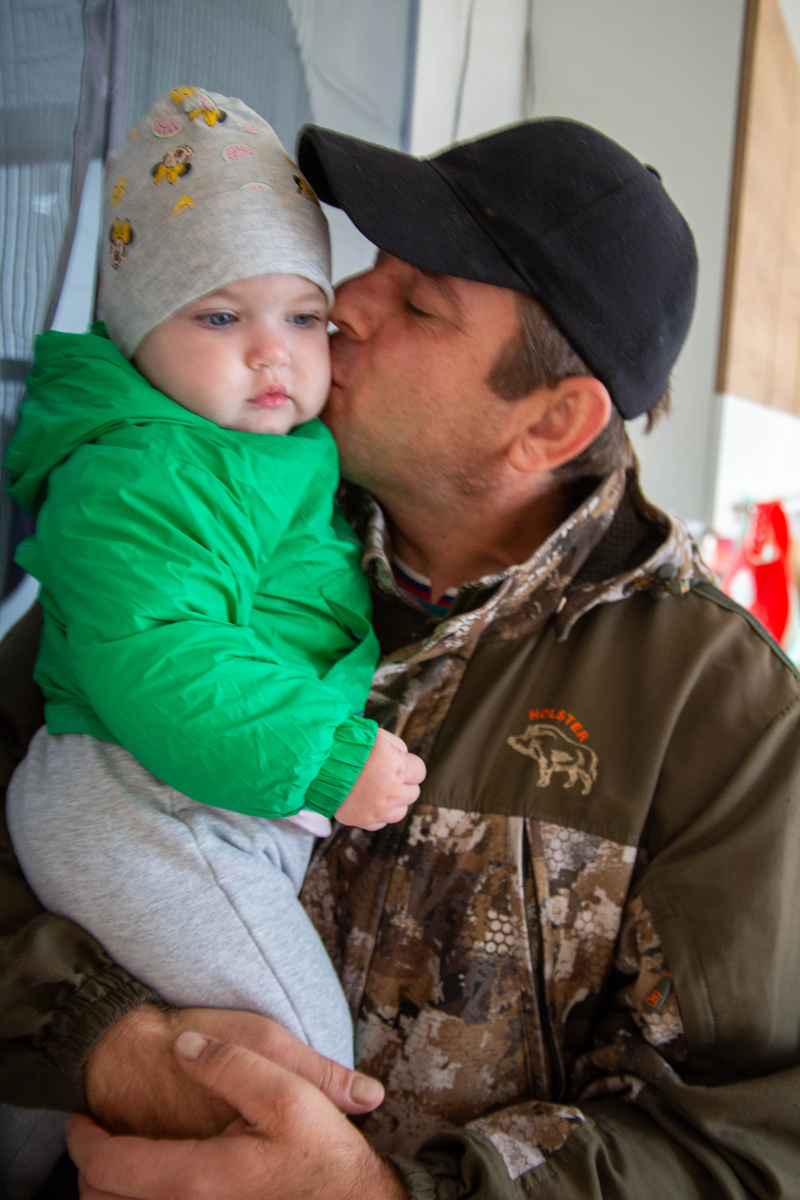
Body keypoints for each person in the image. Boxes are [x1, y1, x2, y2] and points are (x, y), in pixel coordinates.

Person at [3, 115, 800, 1200]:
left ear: (550, 422)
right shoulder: (211, 512)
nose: (350, 306)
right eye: (371, 260)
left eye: (420, 302)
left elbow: (757, 1144)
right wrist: (110, 1044)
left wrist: (377, 1194)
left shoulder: (725, 717)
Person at [4, 85, 424, 1077]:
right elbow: (159, 648)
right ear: (137, 339)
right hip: (139, 795)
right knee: (301, 1060)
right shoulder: (145, 466)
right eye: (221, 314)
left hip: (193, 795)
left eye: (303, 315)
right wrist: (322, 757)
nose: (272, 349)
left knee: (47, 1117)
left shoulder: (255, 449)